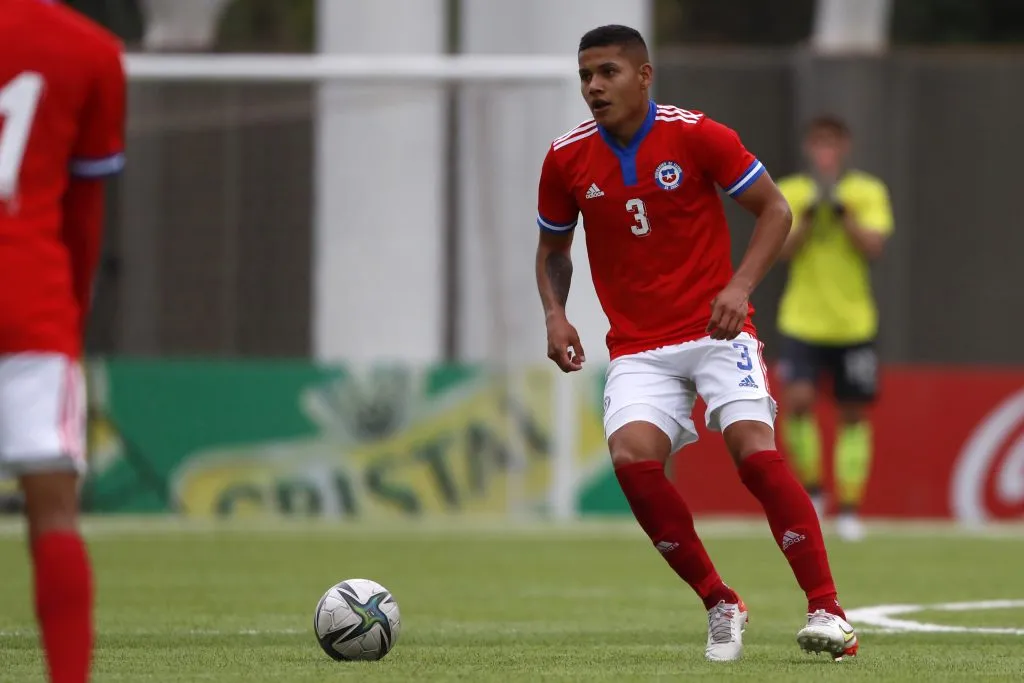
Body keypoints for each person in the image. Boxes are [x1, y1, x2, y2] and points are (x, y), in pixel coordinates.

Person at [535, 25, 857, 662]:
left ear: (644, 76)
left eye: (607, 72)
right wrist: (555, 315)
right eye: (585, 76)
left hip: (717, 331)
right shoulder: (566, 157)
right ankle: (720, 601)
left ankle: (828, 610)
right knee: (632, 460)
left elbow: (776, 209)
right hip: (637, 346)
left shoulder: (696, 134)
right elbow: (553, 248)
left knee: (754, 454)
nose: (594, 87)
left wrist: (740, 286)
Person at [0, 1, 127, 681]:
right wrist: (70, 314)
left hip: (32, 308)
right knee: (53, 515)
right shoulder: (91, 51)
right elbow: (85, 210)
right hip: (29, 303)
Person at [775, 116, 894, 542]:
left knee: (853, 412)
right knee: (798, 401)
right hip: (803, 320)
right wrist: (809, 216)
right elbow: (782, 249)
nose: (825, 151)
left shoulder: (867, 191)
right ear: (809, 147)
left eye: (832, 143)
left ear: (845, 147)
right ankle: (813, 490)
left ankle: (849, 507)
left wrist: (844, 213)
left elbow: (874, 246)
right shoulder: (790, 191)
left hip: (853, 323)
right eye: (819, 143)